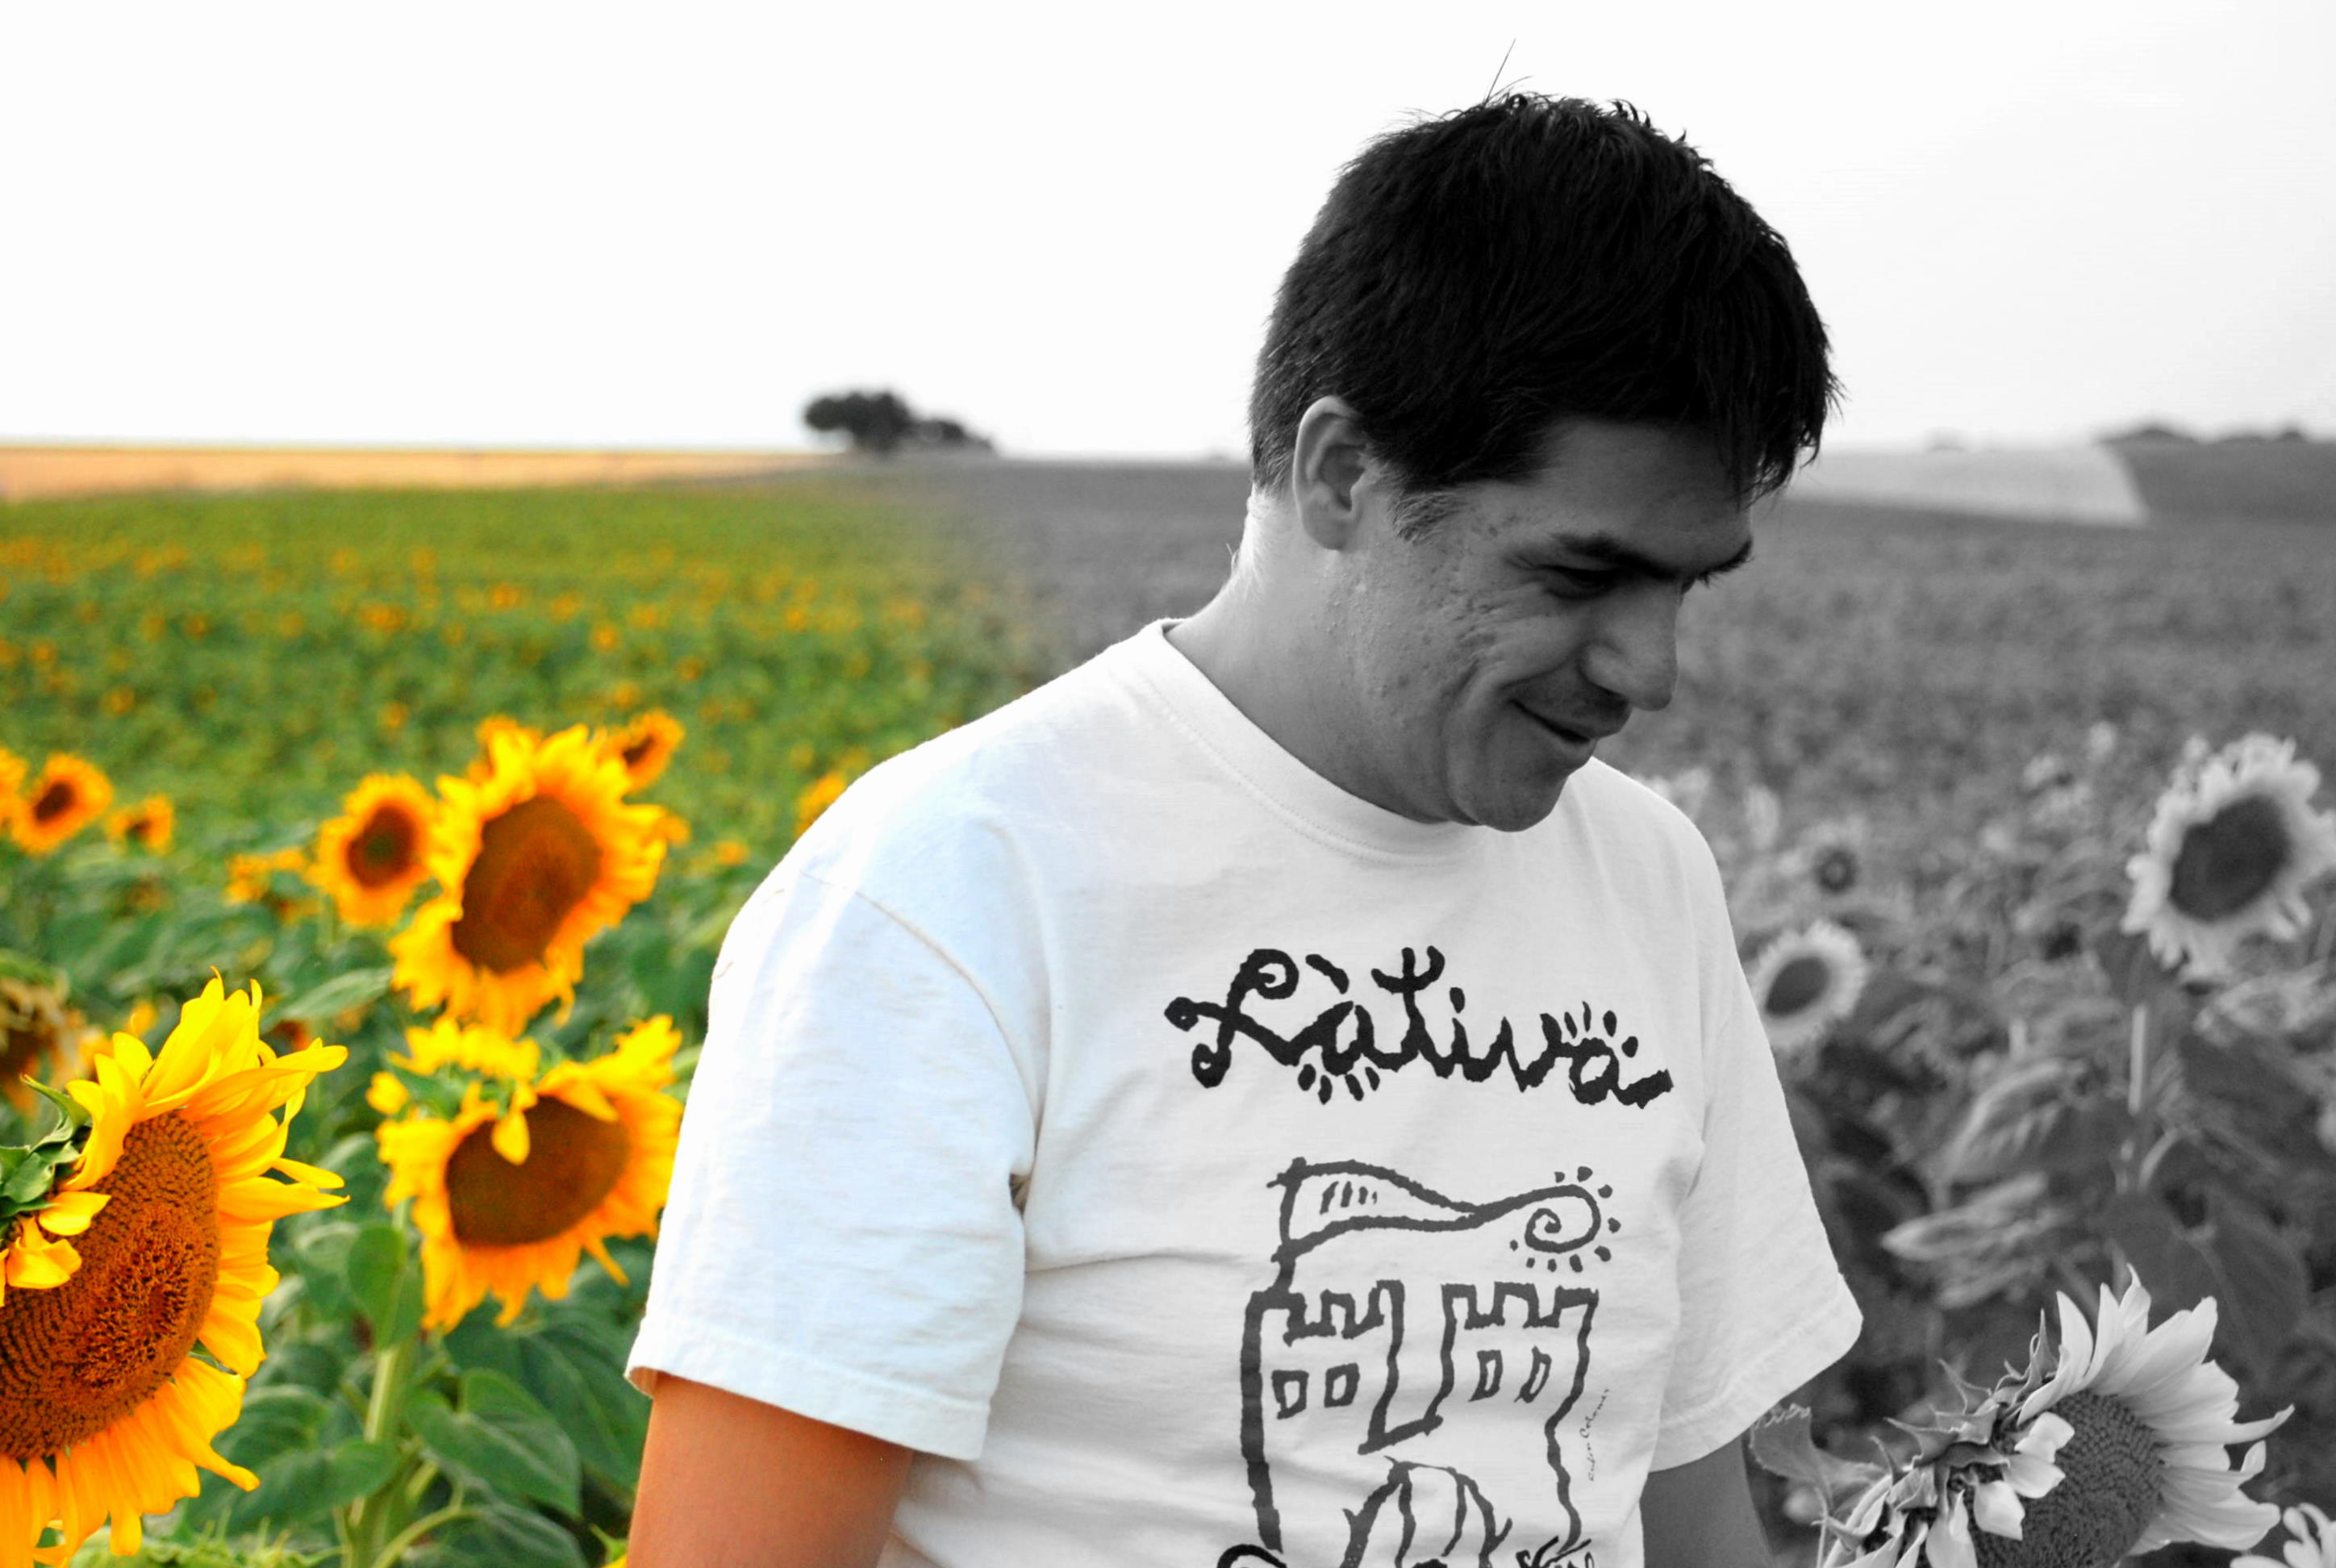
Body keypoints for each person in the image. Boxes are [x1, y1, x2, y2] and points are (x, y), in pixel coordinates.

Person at [625, 94, 1860, 1568]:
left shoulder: (1649, 880)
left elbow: (1686, 1503)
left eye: (1688, 585)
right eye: (1579, 575)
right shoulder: (954, 892)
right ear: (1345, 476)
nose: (1649, 670)